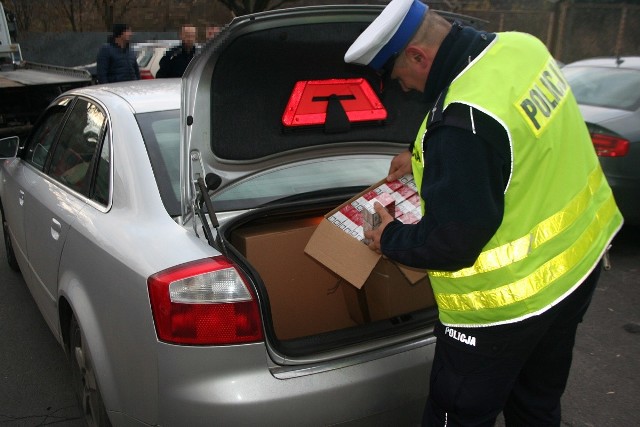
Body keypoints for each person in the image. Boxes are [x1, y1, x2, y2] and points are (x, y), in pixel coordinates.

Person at [344, 0, 623, 425]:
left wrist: (390, 237)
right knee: (536, 405)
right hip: (577, 272)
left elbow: (451, 242)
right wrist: (420, 153)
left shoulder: (460, 123)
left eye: (397, 76)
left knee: (458, 414)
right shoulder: (522, 48)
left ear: (418, 56)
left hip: (503, 309)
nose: (403, 89)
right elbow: (515, 145)